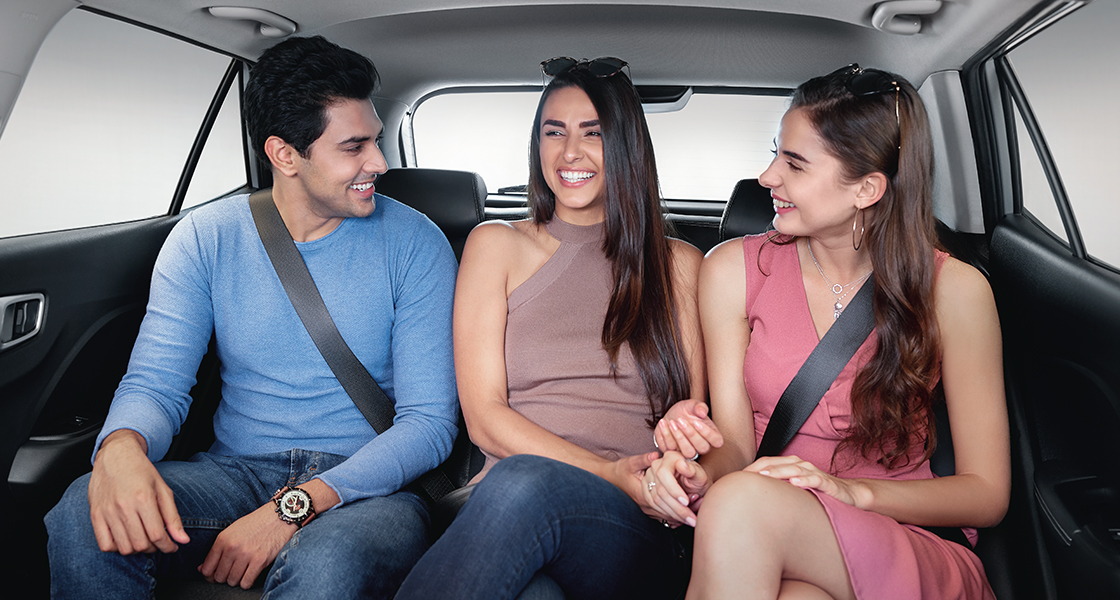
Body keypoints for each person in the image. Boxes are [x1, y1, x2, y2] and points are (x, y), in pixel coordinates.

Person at [44, 35, 459, 599]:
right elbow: (156, 383)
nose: (379, 164)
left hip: (370, 487)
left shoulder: (417, 244)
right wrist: (121, 448)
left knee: (329, 564)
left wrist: (293, 509)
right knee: (82, 511)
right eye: (354, 147)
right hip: (235, 473)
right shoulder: (205, 238)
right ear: (285, 154)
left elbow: (428, 424)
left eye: (377, 141)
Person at [646, 64, 1010, 599]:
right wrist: (698, 475)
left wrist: (851, 493)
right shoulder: (731, 269)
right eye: (775, 154)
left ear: (866, 188)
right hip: (770, 534)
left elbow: (986, 494)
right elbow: (738, 452)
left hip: (906, 536)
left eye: (793, 163)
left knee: (742, 503)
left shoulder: (954, 289)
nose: (767, 177)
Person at [394, 57, 706, 600]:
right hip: (505, 509)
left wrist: (666, 458)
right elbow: (485, 419)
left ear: (628, 146)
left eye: (594, 134)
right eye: (553, 132)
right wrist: (606, 472)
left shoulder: (679, 265)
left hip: (633, 522)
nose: (569, 153)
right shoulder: (496, 246)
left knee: (524, 484)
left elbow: (697, 422)